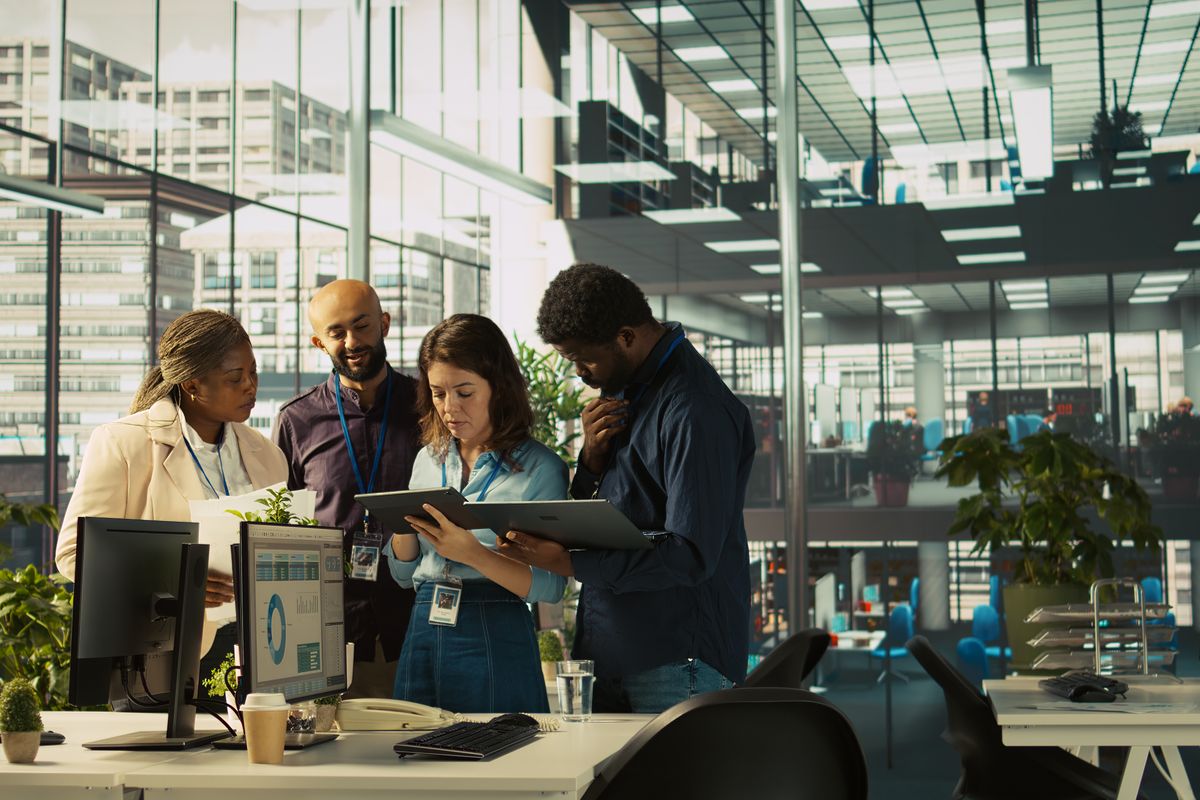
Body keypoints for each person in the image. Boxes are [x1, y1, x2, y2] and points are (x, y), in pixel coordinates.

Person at [500, 263, 755, 714]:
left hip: (677, 659)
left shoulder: (694, 410)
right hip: (609, 648)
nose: (580, 373)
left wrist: (567, 561)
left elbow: (691, 553)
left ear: (625, 336)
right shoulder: (626, 391)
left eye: (585, 358)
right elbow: (613, 518)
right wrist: (591, 461)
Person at [55, 309, 288, 666]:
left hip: (261, 645)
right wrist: (179, 578)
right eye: (235, 377)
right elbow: (74, 553)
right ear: (192, 385)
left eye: (253, 372)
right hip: (166, 649)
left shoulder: (268, 454)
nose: (250, 386)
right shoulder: (123, 443)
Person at [385, 314, 567, 713]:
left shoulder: (542, 468)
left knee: (499, 762)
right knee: (416, 763)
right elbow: (402, 577)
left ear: (498, 388)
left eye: (464, 392)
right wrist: (400, 530)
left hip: (496, 626)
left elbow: (551, 588)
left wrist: (473, 554)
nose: (449, 408)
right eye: (437, 393)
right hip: (424, 622)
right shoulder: (427, 459)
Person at [273, 280, 421, 699]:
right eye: (337, 332)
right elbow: (284, 528)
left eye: (362, 326)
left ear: (385, 324)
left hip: (421, 620)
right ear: (319, 342)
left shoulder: (428, 406)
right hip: (329, 630)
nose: (352, 341)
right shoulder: (295, 422)